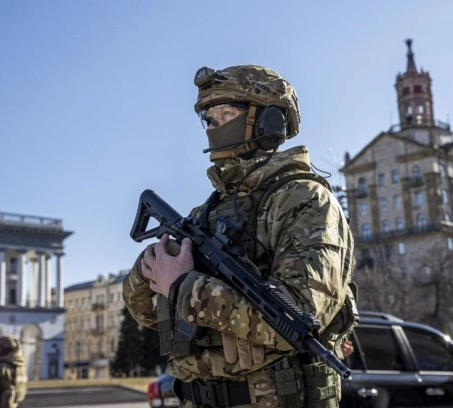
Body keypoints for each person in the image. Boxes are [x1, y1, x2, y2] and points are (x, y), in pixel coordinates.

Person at [124, 65, 356, 408]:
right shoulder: (206, 213)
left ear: (267, 124)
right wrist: (148, 271)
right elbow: (146, 312)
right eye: (208, 118)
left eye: (225, 114)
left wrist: (185, 286)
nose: (212, 126)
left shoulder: (304, 199)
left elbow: (299, 317)